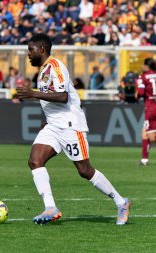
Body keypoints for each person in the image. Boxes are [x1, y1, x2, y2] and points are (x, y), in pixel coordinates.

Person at [16, 33, 131, 226]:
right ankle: (50, 207)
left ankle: (121, 202)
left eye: (31, 49)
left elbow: (62, 97)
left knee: (84, 170)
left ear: (42, 49)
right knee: (35, 161)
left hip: (70, 125)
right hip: (53, 125)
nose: (28, 54)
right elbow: (50, 100)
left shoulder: (56, 66)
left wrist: (32, 94)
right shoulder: (43, 71)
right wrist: (47, 119)